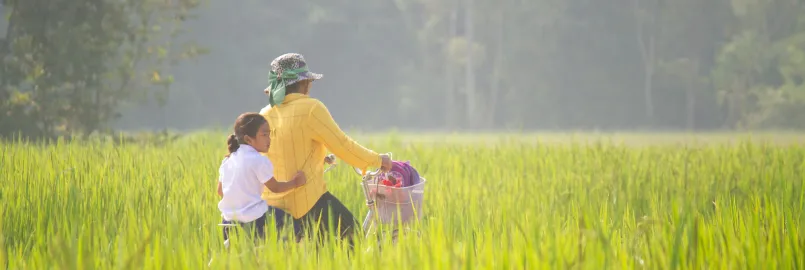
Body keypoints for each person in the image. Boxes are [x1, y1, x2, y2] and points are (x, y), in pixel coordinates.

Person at [258, 53, 392, 245]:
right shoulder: (311, 108)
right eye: (309, 82)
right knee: (354, 240)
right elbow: (343, 145)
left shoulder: (265, 113)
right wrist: (378, 160)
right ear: (304, 83)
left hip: (271, 204)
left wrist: (320, 159)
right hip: (306, 202)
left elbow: (278, 153)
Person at [217, 112, 307, 243]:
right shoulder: (258, 160)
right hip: (256, 219)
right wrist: (295, 182)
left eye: (269, 134)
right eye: (264, 135)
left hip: (228, 221)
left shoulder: (227, 160)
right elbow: (275, 187)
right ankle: (282, 257)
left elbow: (220, 191)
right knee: (297, 229)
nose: (269, 139)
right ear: (248, 139)